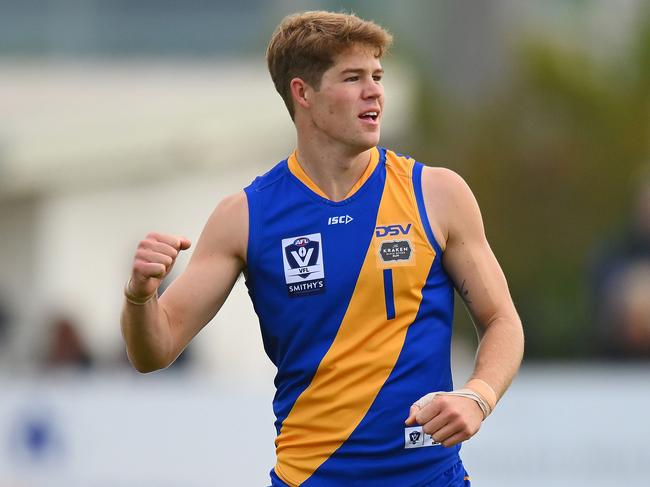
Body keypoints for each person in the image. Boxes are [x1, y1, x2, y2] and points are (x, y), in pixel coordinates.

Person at [121, 11, 524, 487]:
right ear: (303, 93)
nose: (374, 91)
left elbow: (502, 320)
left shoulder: (436, 194)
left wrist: (478, 396)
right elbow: (156, 349)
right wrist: (140, 296)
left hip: (431, 478)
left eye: (376, 76)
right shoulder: (246, 216)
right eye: (352, 78)